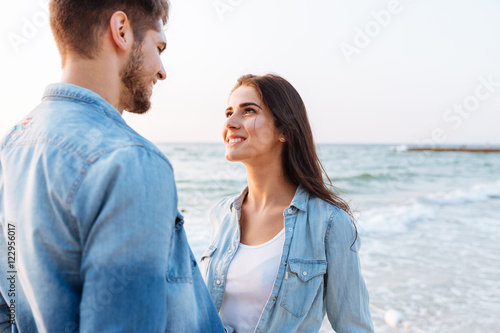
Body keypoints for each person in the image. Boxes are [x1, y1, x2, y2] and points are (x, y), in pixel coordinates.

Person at [0, 0, 224, 332]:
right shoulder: (130, 160)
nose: (162, 69)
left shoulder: (11, 146)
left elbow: (8, 306)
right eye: (158, 46)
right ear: (121, 31)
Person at [201, 74, 374, 332]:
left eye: (248, 111)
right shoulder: (222, 214)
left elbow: (354, 326)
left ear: (283, 130)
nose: (231, 122)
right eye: (229, 112)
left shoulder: (328, 224)